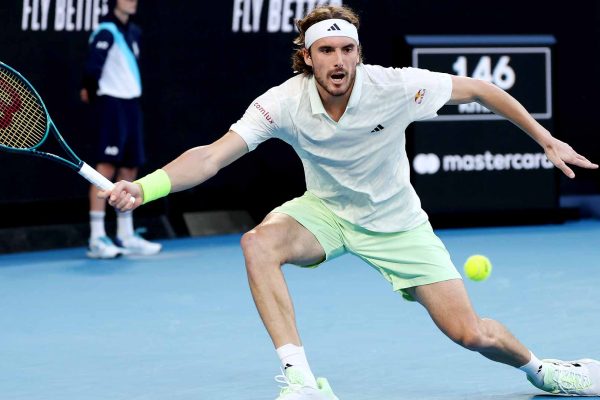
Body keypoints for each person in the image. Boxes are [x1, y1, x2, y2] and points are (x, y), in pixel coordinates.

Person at [102, 5, 599, 399]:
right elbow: (211, 156)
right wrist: (146, 187)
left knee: (471, 334)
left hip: (397, 223)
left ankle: (543, 370)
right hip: (326, 212)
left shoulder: (395, 86)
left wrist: (545, 139)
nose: (338, 60)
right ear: (308, 57)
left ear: (358, 53)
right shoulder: (282, 103)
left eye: (347, 49)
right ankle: (301, 380)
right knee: (257, 244)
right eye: (326, 51)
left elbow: (481, 89)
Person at [81, 0, 161, 258]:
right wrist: (93, 93)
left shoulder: (133, 32)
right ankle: (96, 238)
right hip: (111, 104)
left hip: (131, 105)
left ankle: (125, 234)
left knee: (129, 168)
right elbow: (92, 69)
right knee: (105, 168)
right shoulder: (106, 31)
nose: (133, 1)